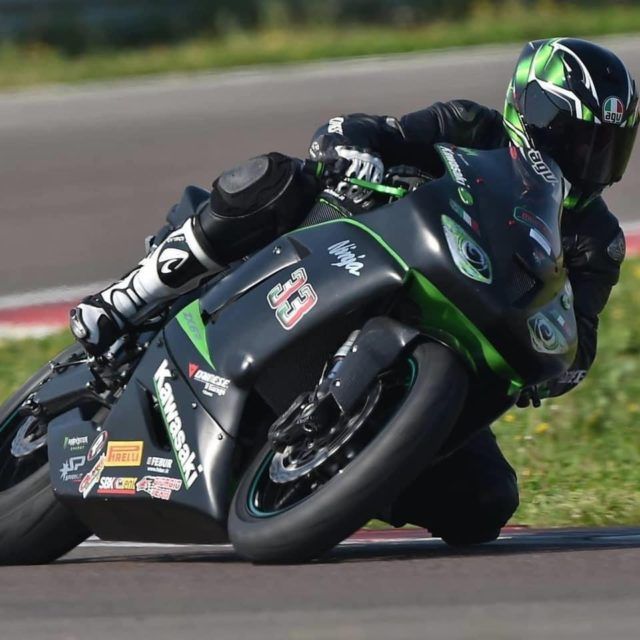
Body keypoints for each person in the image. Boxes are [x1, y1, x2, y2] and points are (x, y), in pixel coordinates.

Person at [70, 38, 637, 545]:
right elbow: (374, 131)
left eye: (607, 144)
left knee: (486, 502)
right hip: (353, 249)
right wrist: (352, 147)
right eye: (575, 136)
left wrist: (556, 365)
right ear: (530, 111)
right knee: (277, 178)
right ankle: (128, 299)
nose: (589, 158)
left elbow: (579, 337)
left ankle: (347, 476)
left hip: (458, 339)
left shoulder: (598, 240)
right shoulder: (469, 126)